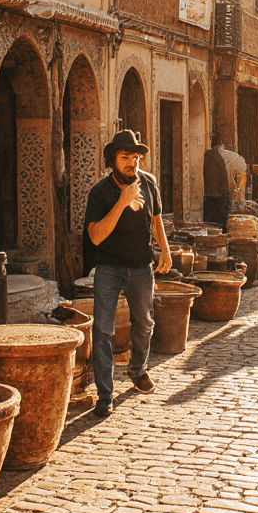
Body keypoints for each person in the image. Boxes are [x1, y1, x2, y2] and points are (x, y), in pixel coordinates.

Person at [83, 130, 172, 416]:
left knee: (144, 323)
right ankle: (105, 395)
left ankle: (138, 370)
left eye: (135, 157)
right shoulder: (100, 192)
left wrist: (166, 251)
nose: (132, 163)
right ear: (113, 160)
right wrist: (122, 201)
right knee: (103, 330)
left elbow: (157, 220)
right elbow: (95, 237)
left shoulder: (148, 183)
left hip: (142, 267)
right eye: (125, 158)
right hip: (109, 268)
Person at [202, 136, 231, 228]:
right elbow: (223, 177)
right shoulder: (219, 158)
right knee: (220, 218)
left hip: (208, 191)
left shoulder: (207, 156)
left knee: (209, 216)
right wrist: (226, 193)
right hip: (218, 193)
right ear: (219, 146)